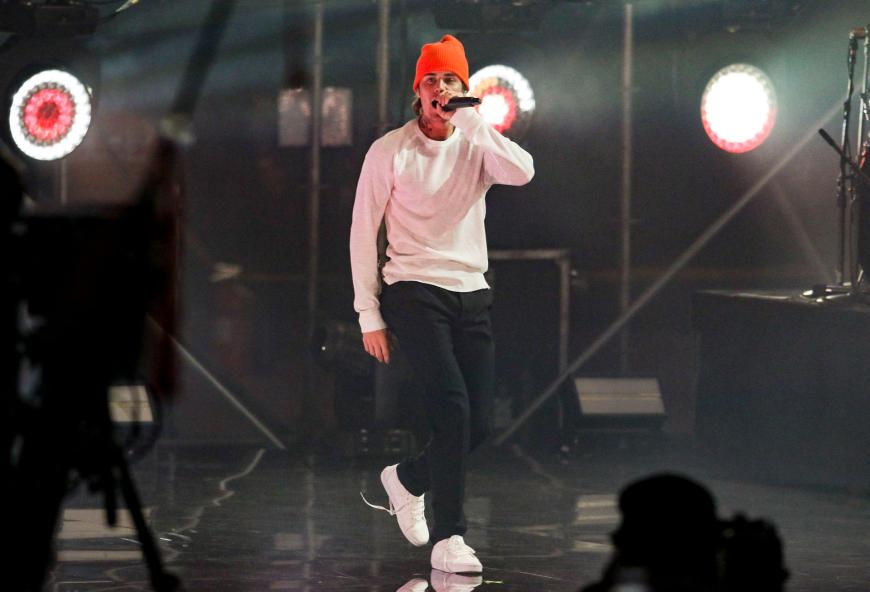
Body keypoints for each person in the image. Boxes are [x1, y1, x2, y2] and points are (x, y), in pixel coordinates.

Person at [350, 34, 534, 574]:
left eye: (450, 79)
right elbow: (363, 232)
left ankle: (406, 479)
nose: (440, 88)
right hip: (412, 288)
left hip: (471, 290)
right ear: (418, 91)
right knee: (452, 408)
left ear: (463, 89)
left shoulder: (477, 144)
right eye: (430, 79)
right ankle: (450, 537)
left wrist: (475, 123)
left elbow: (524, 171)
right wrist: (368, 313)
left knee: (480, 424)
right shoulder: (390, 150)